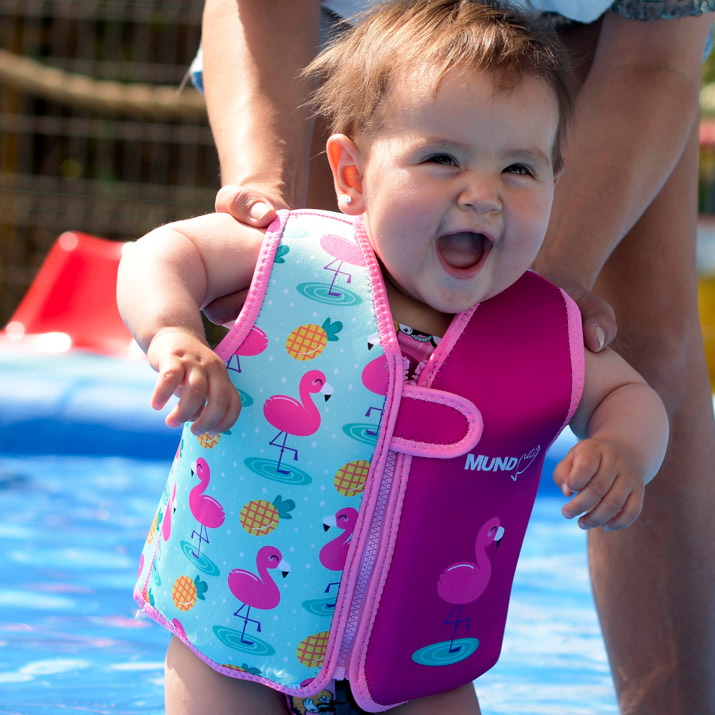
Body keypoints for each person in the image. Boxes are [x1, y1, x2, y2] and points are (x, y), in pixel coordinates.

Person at [119, 3, 669, 713]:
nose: (483, 194)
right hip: (233, 648)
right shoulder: (294, 258)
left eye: (519, 168)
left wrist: (625, 448)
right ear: (350, 175)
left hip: (421, 671)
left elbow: (632, 397)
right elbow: (164, 251)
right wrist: (172, 332)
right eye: (441, 158)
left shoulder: (541, 326)